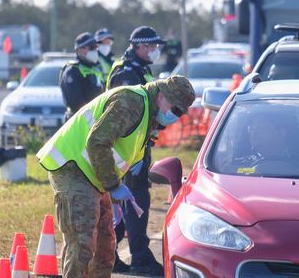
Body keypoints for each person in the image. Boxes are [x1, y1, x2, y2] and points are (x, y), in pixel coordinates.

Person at [36, 75, 195, 278]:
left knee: (105, 247)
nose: (175, 116)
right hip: (72, 169)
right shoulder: (132, 102)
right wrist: (113, 186)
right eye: (175, 109)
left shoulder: (148, 113)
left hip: (94, 176)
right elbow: (97, 142)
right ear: (162, 95)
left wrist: (112, 193)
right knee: (82, 243)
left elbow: (117, 151)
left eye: (180, 113)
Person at [106, 25, 166, 275]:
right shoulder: (127, 73)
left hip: (139, 146)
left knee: (133, 200)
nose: (155, 51)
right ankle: (134, 256)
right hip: (127, 148)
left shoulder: (141, 69)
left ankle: (114, 256)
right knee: (130, 200)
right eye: (152, 46)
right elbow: (130, 113)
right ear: (140, 46)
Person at [60, 32, 103, 121]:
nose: (95, 50)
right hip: (79, 121)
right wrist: (91, 121)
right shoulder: (72, 71)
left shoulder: (96, 68)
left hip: (96, 119)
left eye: (96, 47)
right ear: (80, 50)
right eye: (92, 47)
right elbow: (76, 103)